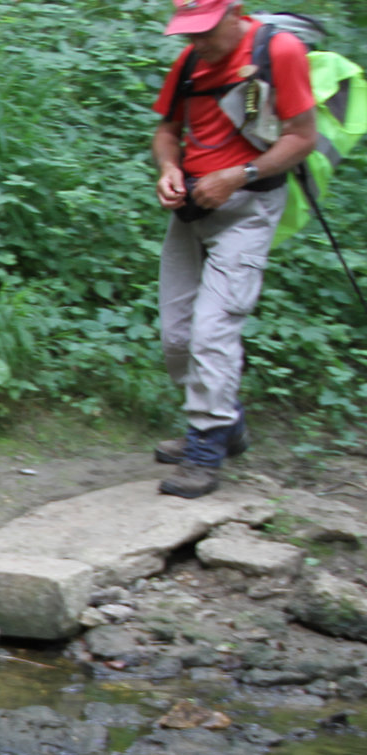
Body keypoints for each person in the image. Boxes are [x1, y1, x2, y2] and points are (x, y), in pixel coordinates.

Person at [150, 0, 318, 498]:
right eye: (188, 32)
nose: (196, 42)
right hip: (193, 208)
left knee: (211, 330)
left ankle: (205, 451)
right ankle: (227, 423)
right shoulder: (189, 62)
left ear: (234, 14)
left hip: (249, 207)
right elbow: (166, 132)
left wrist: (239, 175)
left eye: (205, 31)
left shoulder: (278, 50)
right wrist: (168, 169)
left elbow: (302, 137)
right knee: (176, 337)